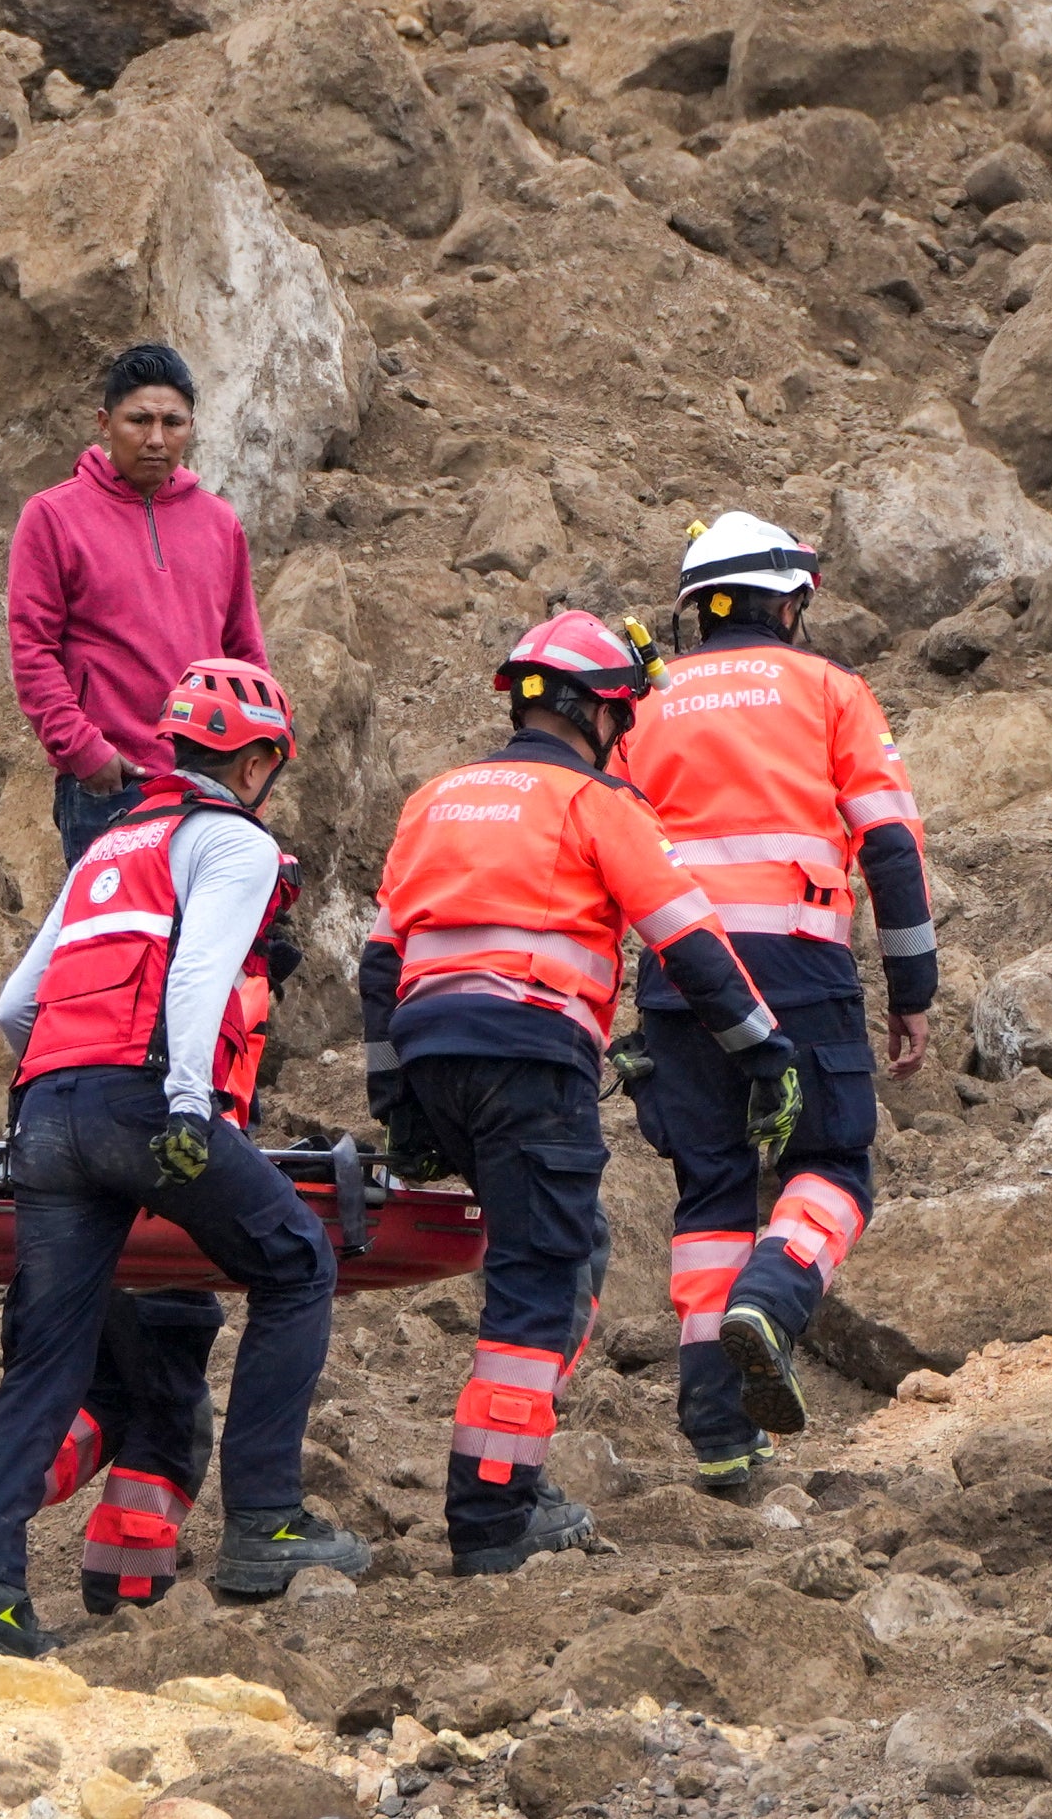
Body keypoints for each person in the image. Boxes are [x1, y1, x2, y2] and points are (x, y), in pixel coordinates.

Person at [0, 658, 368, 1666]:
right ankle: (264, 1522)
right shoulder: (233, 842)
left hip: (47, 1109)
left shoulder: (105, 848)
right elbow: (201, 971)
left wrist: (60, 1087)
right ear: (255, 760)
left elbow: (13, 1006)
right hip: (145, 1102)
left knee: (48, 1359)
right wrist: (183, 1101)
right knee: (296, 1262)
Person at [360, 614, 795, 1575]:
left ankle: (509, 1479)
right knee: (541, 1277)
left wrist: (396, 1101)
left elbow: (380, 959)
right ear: (601, 712)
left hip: (434, 1053)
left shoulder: (437, 798)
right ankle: (491, 1514)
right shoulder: (596, 801)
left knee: (573, 1251)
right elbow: (688, 941)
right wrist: (764, 1048)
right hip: (531, 1056)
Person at [615, 515, 938, 1483]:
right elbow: (887, 844)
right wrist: (910, 989)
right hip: (799, 964)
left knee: (710, 1187)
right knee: (832, 1161)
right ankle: (776, 1291)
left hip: (677, 977)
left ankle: (719, 1431)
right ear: (788, 602)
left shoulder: (642, 707)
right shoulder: (832, 689)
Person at [0, 866, 298, 1618]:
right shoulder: (222, 980)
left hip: (69, 1200)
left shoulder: (109, 963)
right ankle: (127, 1596)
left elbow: (19, 1014)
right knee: (170, 1419)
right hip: (165, 1221)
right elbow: (214, 1119)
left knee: (84, 1390)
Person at [10, 345, 268, 864]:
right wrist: (85, 753)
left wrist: (255, 755)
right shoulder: (53, 516)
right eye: (139, 420)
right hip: (111, 785)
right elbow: (32, 650)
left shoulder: (219, 523)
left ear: (192, 426)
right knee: (120, 943)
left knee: (210, 943)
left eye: (172, 422)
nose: (156, 439)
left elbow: (244, 653)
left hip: (211, 785)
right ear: (105, 423)